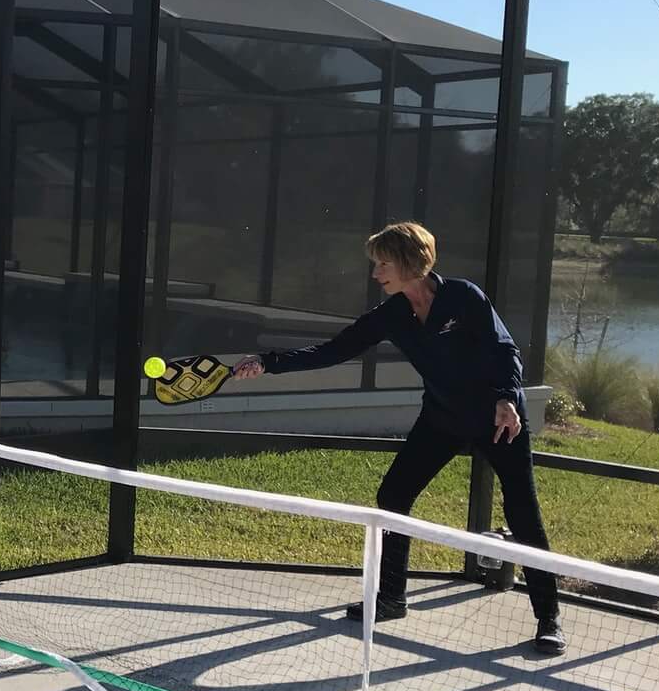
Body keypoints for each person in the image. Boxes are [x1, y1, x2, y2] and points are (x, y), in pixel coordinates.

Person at [234, 221, 564, 656]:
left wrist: (507, 399)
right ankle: (390, 597)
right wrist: (266, 362)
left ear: (410, 261)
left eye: (383, 264)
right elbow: (332, 351)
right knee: (393, 494)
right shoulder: (391, 314)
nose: (376, 274)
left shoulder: (463, 297)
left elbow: (505, 349)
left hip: (499, 419)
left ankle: (549, 618)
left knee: (523, 512)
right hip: (441, 419)